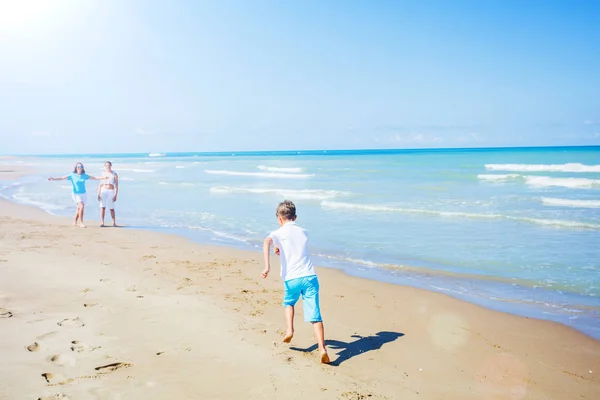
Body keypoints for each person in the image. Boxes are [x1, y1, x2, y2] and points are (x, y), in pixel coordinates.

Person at [262, 200, 330, 364]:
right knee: (315, 315)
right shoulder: (304, 231)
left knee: (289, 302)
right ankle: (322, 348)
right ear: (295, 217)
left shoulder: (278, 232)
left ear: (279, 218)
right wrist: (279, 248)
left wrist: (267, 266)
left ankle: (290, 330)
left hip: (292, 278)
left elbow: (267, 242)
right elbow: (293, 243)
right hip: (310, 277)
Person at [48, 162, 103, 228]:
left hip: (84, 193)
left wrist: (104, 178)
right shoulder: (72, 175)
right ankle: (81, 223)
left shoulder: (84, 175)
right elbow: (62, 178)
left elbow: (94, 177)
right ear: (76, 168)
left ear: (82, 168)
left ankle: (74, 222)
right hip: (76, 194)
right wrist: (53, 179)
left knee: (79, 208)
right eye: (78, 167)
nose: (80, 168)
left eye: (81, 167)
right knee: (81, 206)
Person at [97, 161, 119, 227]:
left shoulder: (114, 174)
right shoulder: (103, 173)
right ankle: (102, 222)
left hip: (111, 190)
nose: (107, 167)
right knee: (102, 207)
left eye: (109, 165)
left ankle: (114, 222)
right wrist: (98, 193)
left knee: (111, 207)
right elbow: (100, 184)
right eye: (106, 165)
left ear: (111, 166)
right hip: (103, 190)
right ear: (105, 166)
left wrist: (116, 195)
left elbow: (117, 185)